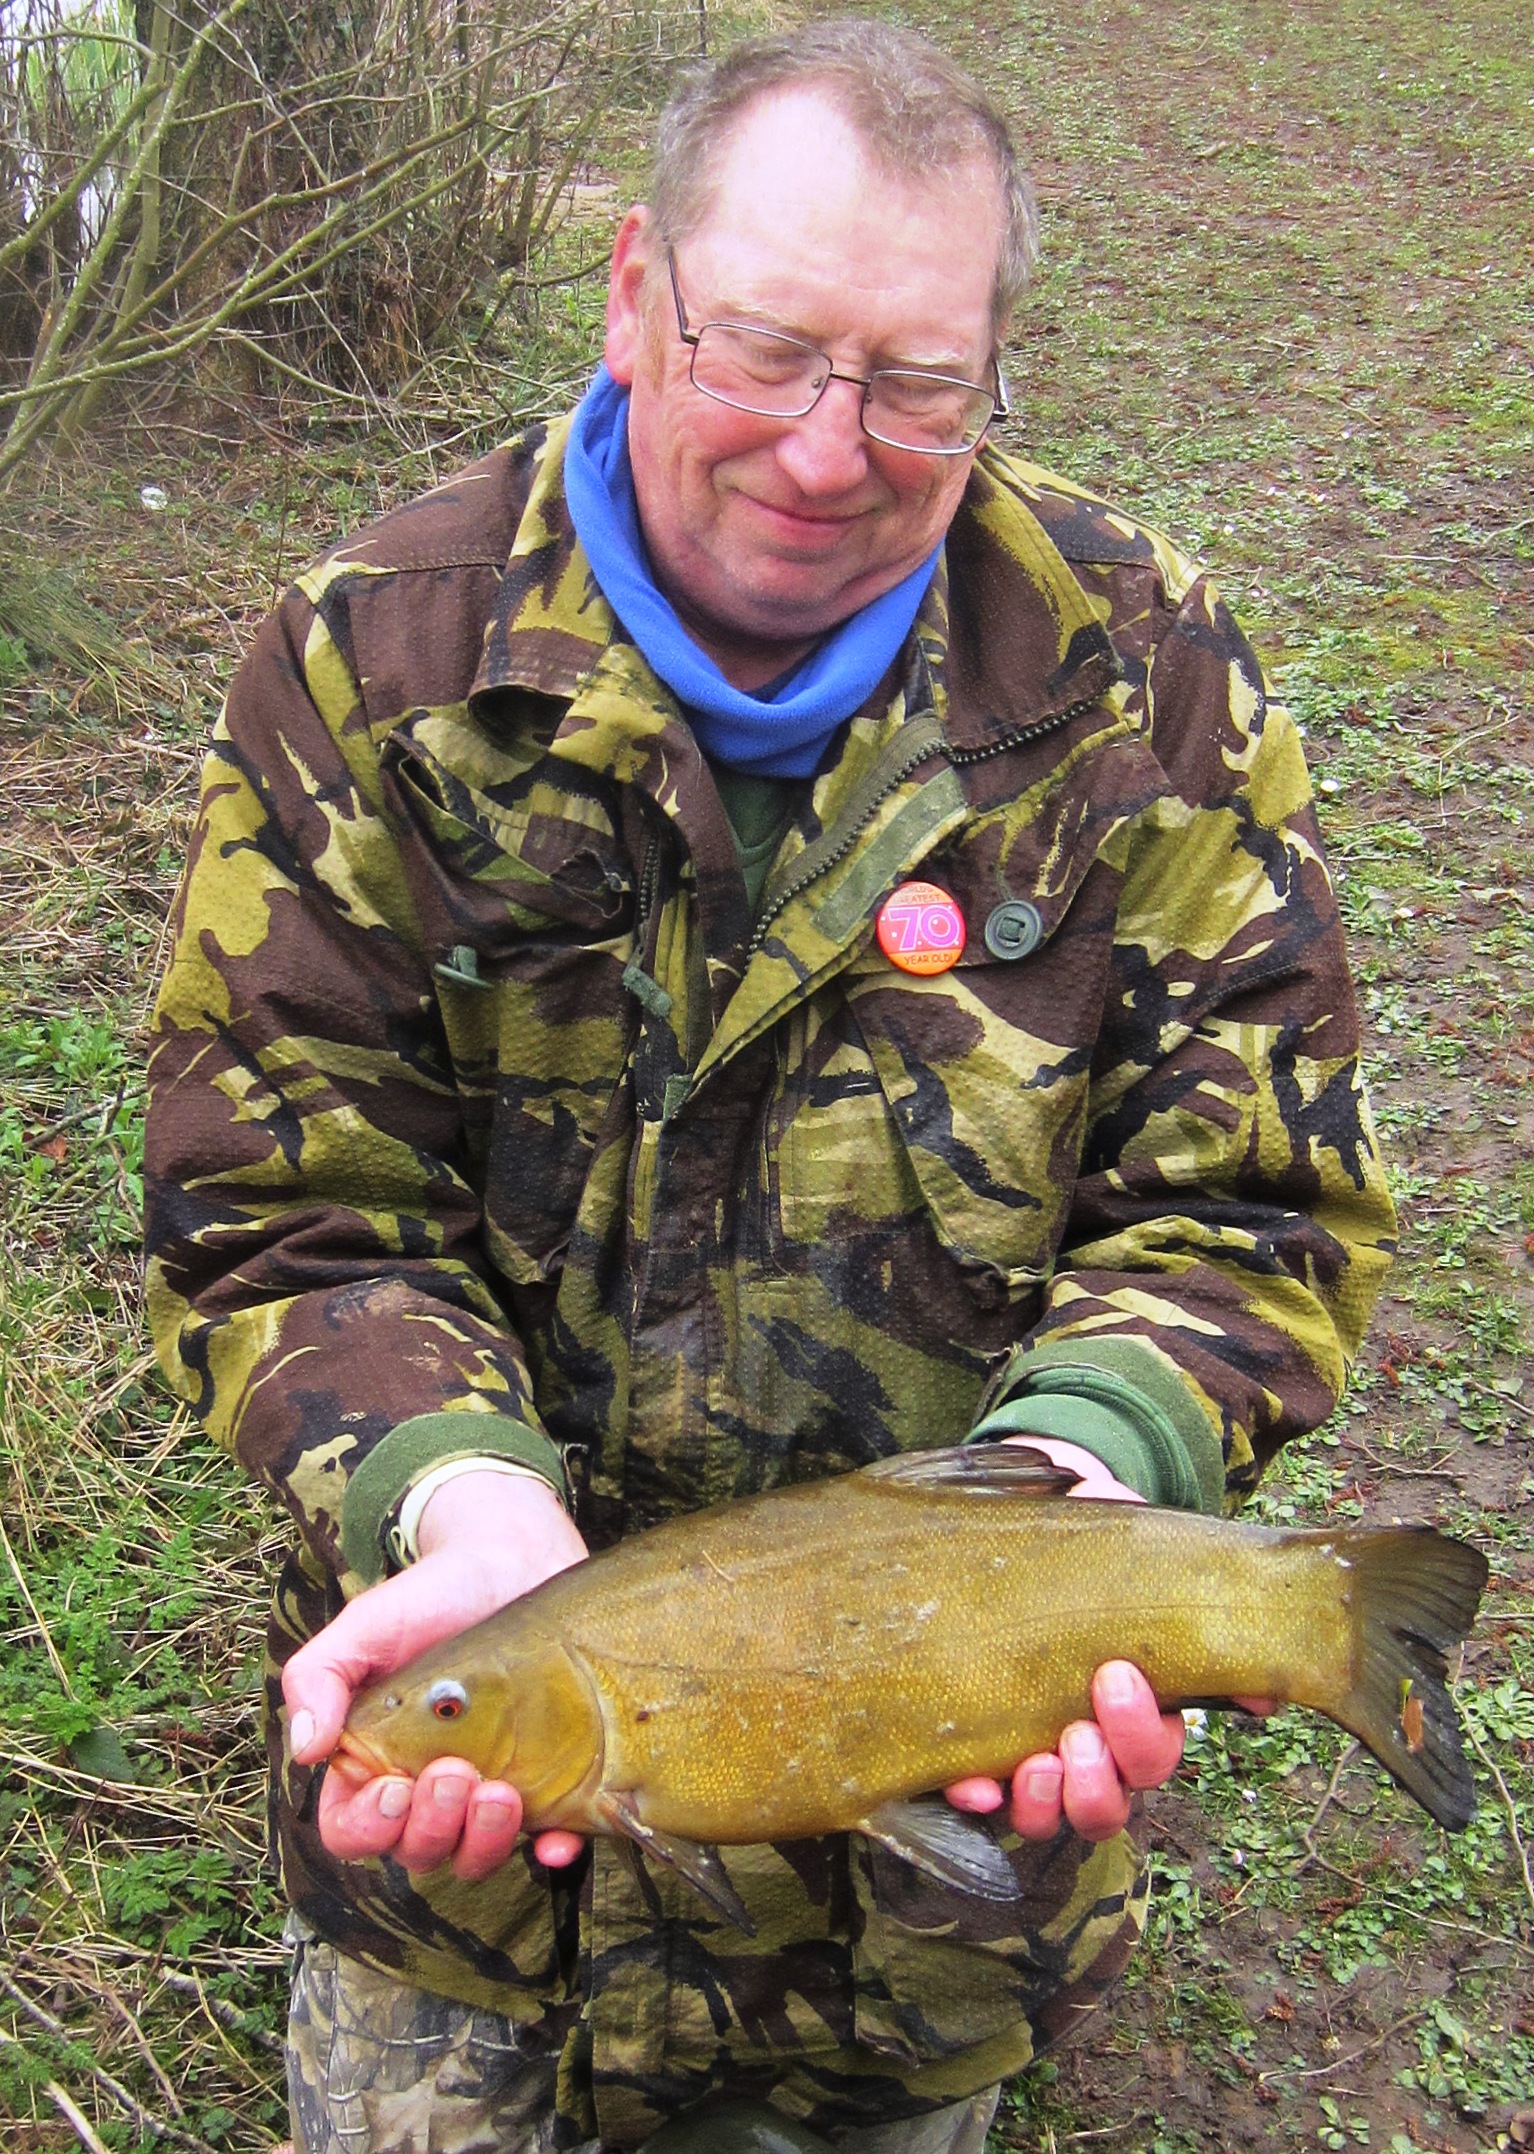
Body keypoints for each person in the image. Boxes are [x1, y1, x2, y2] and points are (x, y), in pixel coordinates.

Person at [144, 20, 1395, 2154]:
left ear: (993, 375)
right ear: (634, 293)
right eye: (763, 350)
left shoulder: (1144, 670)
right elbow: (285, 1200)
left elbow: (1251, 1202)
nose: (828, 450)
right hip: (462, 1880)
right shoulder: (375, 663)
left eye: (914, 383)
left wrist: (1080, 1492)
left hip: (930, 1885)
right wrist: (451, 1498)